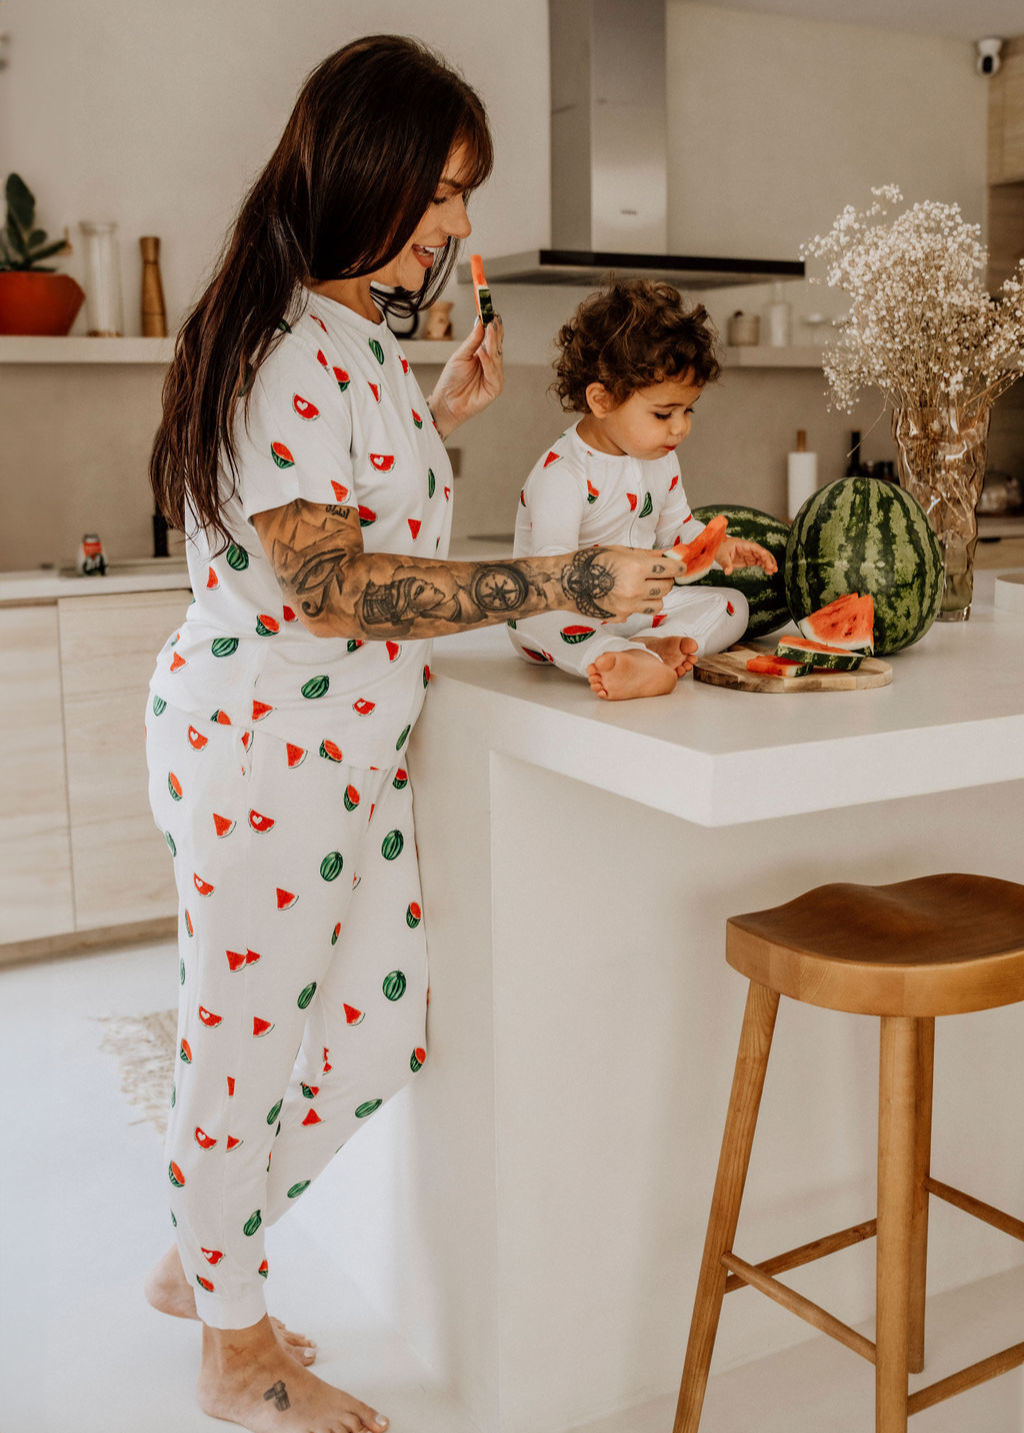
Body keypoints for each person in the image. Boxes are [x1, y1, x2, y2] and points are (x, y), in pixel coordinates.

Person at [144, 35, 683, 1433]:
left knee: (379, 1029)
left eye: (461, 195)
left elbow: (361, 514)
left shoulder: (361, 340)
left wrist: (439, 411)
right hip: (270, 748)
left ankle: (207, 1252)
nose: (457, 223)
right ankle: (232, 1340)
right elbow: (332, 588)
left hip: (351, 752)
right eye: (444, 191)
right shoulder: (279, 352)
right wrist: (564, 580)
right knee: (243, 1045)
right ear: (371, 171)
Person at [508, 279, 778, 700]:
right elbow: (549, 573)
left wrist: (718, 546)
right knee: (534, 614)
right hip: (565, 610)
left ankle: (651, 650)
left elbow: (679, 529)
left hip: (637, 609)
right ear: (601, 400)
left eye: (687, 410)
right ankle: (609, 654)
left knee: (732, 606)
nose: (680, 427)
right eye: (663, 413)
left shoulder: (661, 459)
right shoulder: (563, 473)